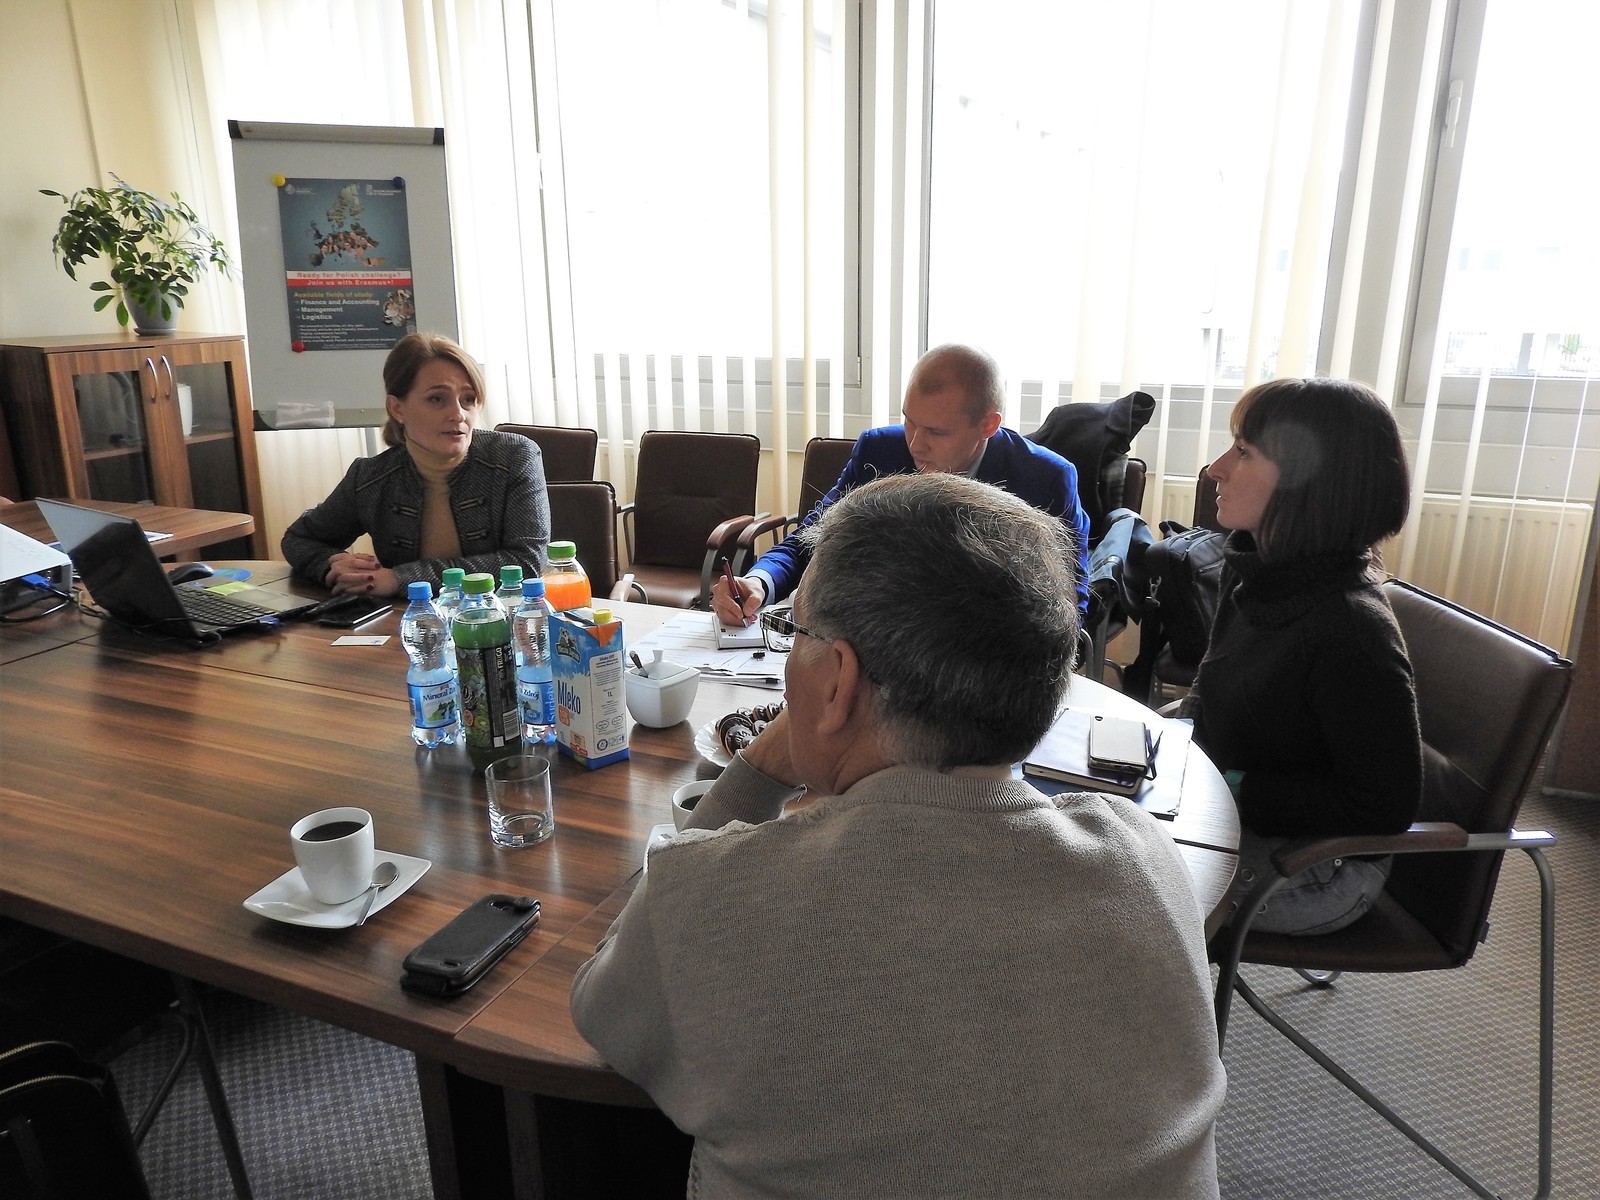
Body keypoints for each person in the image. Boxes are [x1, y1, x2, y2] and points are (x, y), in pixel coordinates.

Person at [572, 473, 1225, 1199]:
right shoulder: (1145, 858)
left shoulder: (718, 895)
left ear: (838, 679)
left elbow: (605, 1010)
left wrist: (756, 769)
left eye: (796, 632)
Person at [1181, 377, 1422, 936]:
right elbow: (1211, 693)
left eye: (1244, 452)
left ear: (1310, 483)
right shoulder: (1257, 573)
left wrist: (1229, 785)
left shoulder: (1350, 629)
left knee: (1116, 888)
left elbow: (1382, 808)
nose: (1216, 469)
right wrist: (1152, 745)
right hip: (1235, 814)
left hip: (1318, 866)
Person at [711, 343, 1092, 623]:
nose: (915, 444)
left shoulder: (1044, 478)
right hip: (878, 635)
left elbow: (1068, 598)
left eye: (936, 432)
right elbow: (810, 541)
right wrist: (759, 582)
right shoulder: (879, 451)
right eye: (909, 420)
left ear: (988, 425)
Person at [281, 333, 549, 597]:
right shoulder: (370, 477)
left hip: (503, 616)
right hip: (413, 619)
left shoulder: (515, 457)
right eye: (437, 399)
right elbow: (298, 539)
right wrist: (333, 564)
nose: (458, 414)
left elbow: (526, 562)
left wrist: (401, 579)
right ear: (397, 409)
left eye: (468, 399)